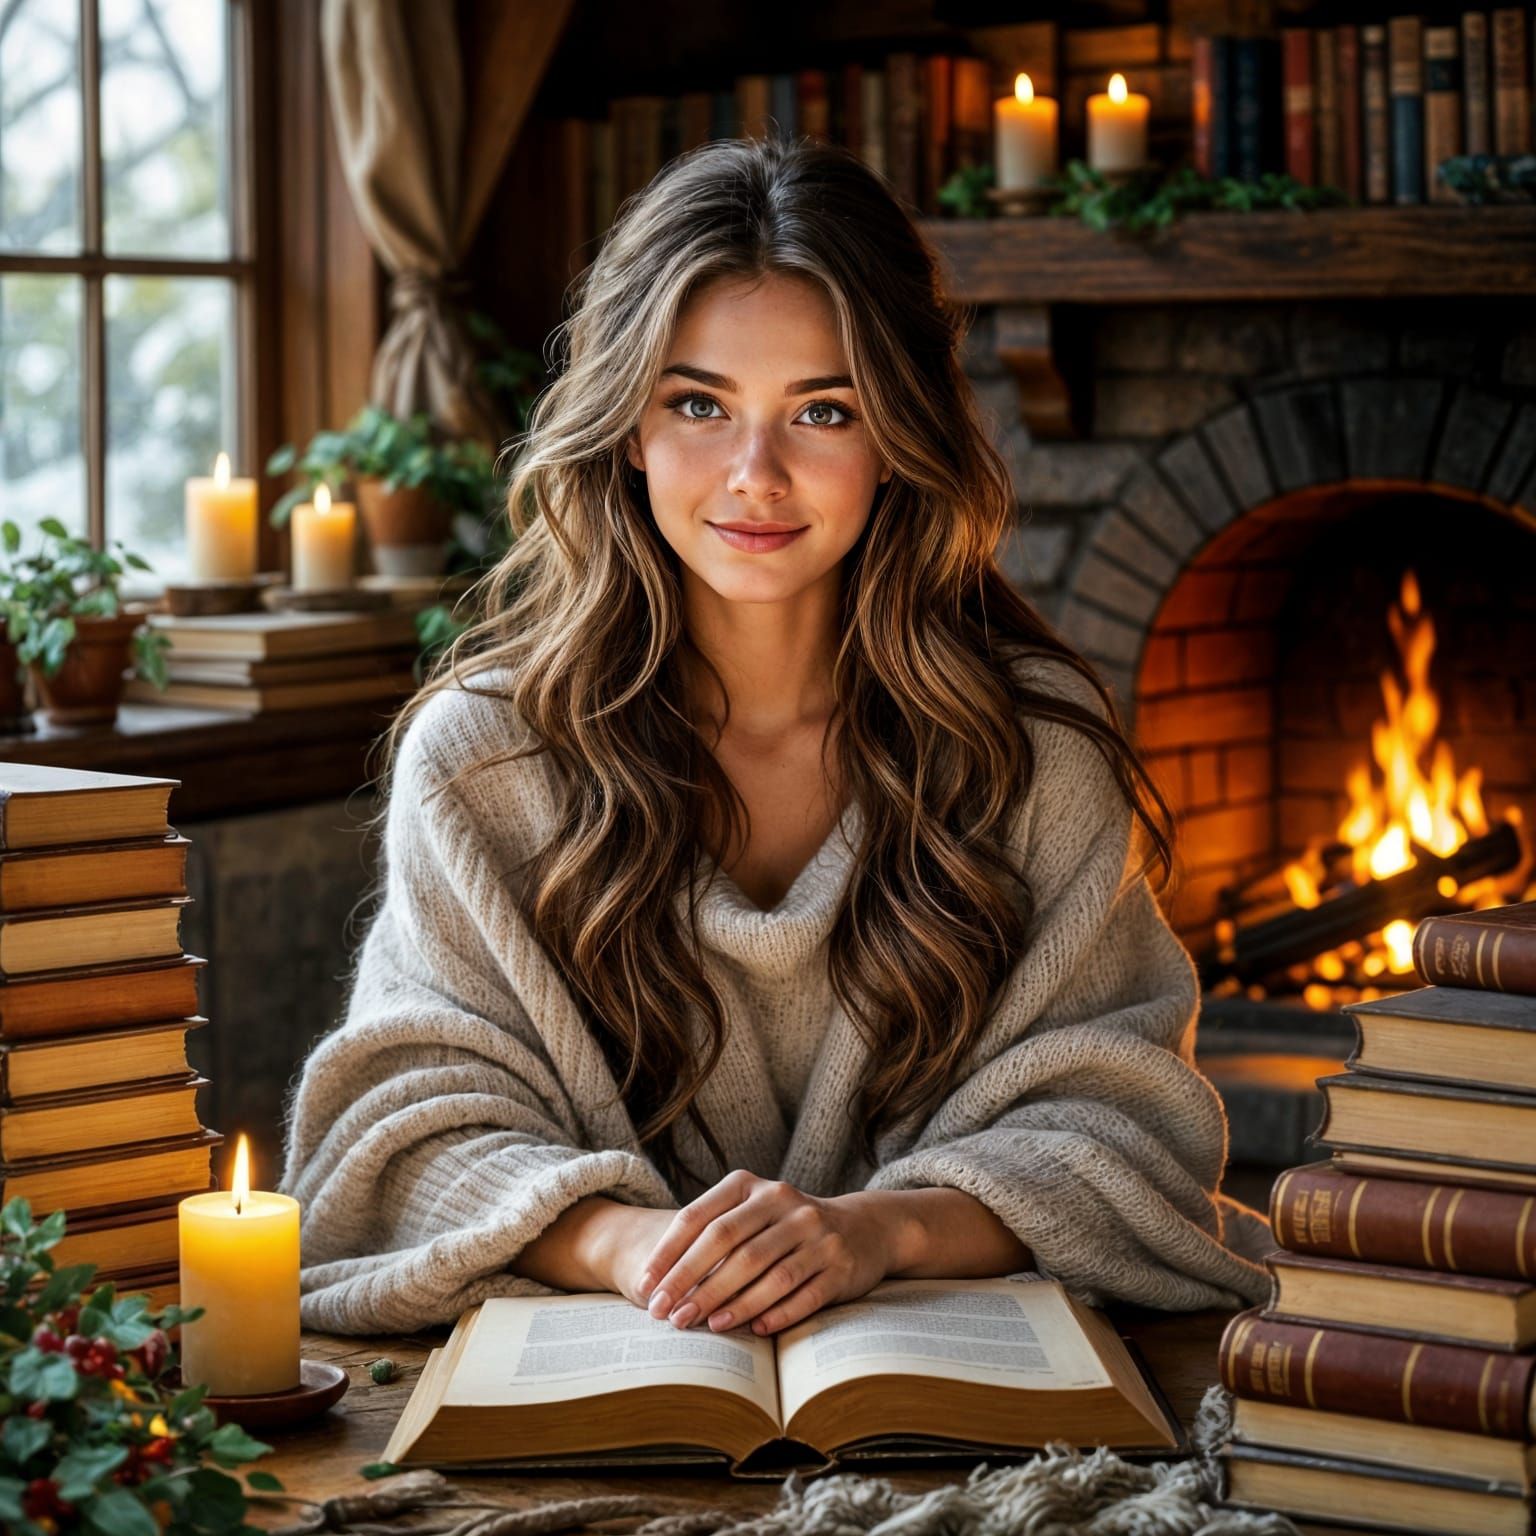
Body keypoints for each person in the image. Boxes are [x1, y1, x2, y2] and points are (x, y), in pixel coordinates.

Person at [279, 135, 1272, 1336]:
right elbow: (401, 1135)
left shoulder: (1028, 761)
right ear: (627, 431)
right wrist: (635, 1246)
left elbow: (1128, 1130)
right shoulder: (484, 762)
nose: (755, 474)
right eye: (698, 403)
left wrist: (876, 1232)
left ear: (899, 441)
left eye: (823, 410)